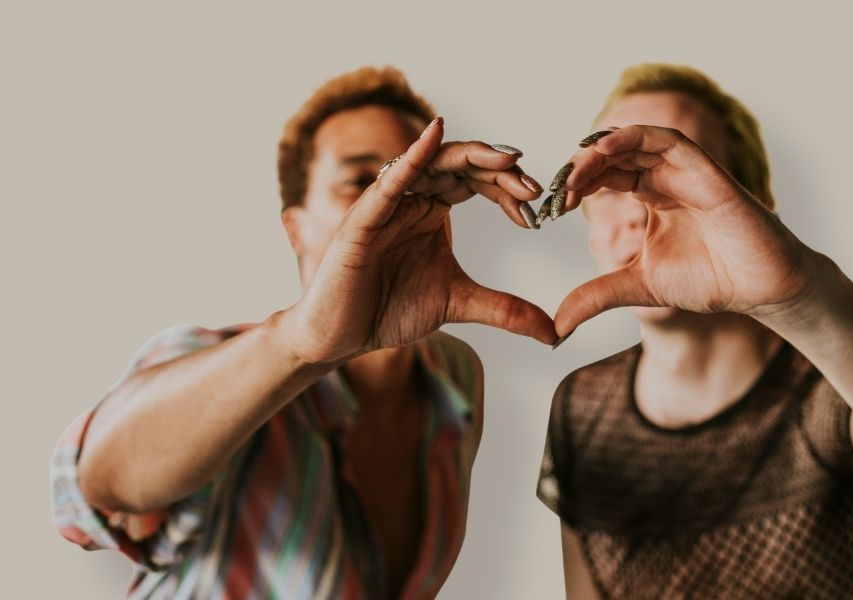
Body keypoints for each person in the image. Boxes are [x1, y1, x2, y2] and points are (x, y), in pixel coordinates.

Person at [50, 65, 556, 599]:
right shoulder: (219, 365)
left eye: (415, 177)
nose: (393, 200)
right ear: (296, 227)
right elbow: (89, 492)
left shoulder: (455, 378)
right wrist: (300, 347)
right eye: (364, 180)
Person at [536, 64, 853, 599]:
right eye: (613, 183)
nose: (643, 211)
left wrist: (800, 294)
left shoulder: (835, 386)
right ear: (588, 224)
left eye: (669, 180)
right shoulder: (580, 403)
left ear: (754, 213)